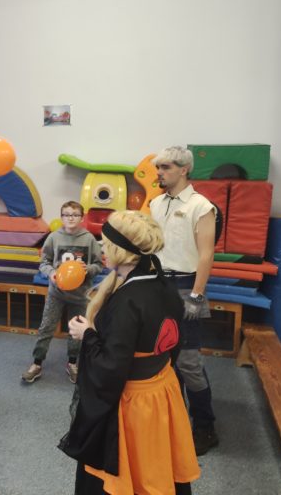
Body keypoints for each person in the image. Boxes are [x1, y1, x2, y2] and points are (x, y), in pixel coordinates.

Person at [59, 211, 200, 495]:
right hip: (162, 393)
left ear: (119, 250)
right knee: (156, 466)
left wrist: (87, 335)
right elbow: (173, 345)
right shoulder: (162, 283)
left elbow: (111, 368)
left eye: (105, 242)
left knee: (128, 475)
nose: (101, 247)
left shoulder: (127, 300)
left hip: (134, 404)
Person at [150, 145, 218, 455]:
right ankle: (175, 421)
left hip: (186, 285)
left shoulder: (201, 206)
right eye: (158, 167)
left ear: (184, 169)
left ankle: (205, 426)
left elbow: (206, 254)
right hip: (158, 285)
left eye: (165, 167)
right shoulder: (155, 203)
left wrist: (196, 295)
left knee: (189, 362)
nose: (159, 172)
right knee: (165, 358)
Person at [22, 201, 102, 384]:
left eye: (75, 215)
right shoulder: (53, 237)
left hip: (80, 295)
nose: (70, 218)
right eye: (66, 215)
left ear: (81, 218)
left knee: (76, 331)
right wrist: (51, 273)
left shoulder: (89, 239)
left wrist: (88, 269)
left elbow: (99, 264)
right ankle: (37, 363)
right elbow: (44, 262)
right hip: (56, 293)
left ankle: (72, 362)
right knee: (46, 327)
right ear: (61, 217)